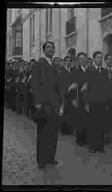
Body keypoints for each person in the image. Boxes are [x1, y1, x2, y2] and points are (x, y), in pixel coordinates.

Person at [31, 41, 61, 169]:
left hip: (54, 104)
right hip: (43, 104)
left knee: (53, 132)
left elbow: (58, 87)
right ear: (44, 50)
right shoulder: (39, 64)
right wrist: (37, 102)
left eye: (52, 47)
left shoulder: (55, 66)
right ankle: (41, 159)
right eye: (48, 47)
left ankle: (50, 157)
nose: (51, 49)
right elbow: (35, 84)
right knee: (43, 133)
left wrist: (60, 104)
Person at [84, 51, 108, 153]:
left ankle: (100, 145)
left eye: (101, 57)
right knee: (93, 125)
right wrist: (86, 103)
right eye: (98, 57)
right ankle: (92, 145)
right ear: (94, 59)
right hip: (92, 101)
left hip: (102, 102)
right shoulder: (89, 71)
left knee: (101, 124)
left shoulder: (104, 71)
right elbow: (86, 88)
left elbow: (107, 87)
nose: (100, 59)